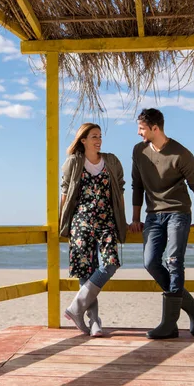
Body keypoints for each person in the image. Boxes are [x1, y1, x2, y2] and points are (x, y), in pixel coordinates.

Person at [128, 108, 194, 339]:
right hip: (153, 215)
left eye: (142, 128)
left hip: (178, 213)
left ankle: (169, 324)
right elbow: (137, 185)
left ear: (155, 128)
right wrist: (135, 218)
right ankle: (193, 306)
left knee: (174, 262)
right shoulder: (139, 151)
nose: (138, 132)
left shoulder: (181, 154)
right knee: (151, 262)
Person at [59, 122, 127, 337]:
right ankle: (94, 320)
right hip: (81, 221)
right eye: (94, 137)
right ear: (83, 140)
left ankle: (76, 308)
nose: (98, 140)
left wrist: (122, 221)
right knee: (86, 271)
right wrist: (62, 222)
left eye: (100, 137)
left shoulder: (112, 161)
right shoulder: (73, 162)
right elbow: (65, 193)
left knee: (110, 264)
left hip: (107, 221)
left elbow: (120, 190)